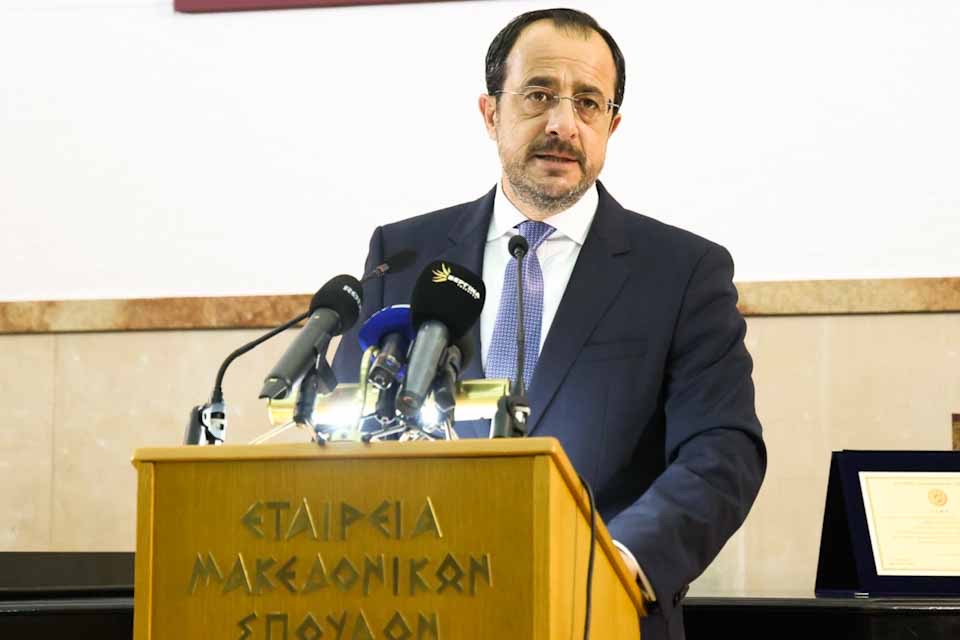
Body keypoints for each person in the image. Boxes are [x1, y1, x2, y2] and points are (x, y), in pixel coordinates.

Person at [332, 8, 766, 640]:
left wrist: (615, 564)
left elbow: (723, 451)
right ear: (490, 113)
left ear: (612, 125)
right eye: (539, 95)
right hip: (418, 608)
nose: (564, 124)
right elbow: (343, 433)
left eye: (588, 103)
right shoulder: (402, 256)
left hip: (602, 614)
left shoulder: (681, 272)